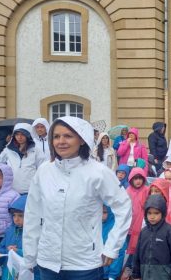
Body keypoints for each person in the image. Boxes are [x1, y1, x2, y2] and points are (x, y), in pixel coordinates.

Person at [23, 116, 132, 279]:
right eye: (56, 136)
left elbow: (123, 206)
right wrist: (30, 255)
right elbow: (33, 214)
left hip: (84, 264)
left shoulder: (98, 172)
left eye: (68, 136)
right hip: (47, 263)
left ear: (82, 139)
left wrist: (112, 247)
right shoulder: (44, 171)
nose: (61, 141)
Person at [130, 194, 171, 280]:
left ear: (162, 213)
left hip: (164, 276)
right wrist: (136, 274)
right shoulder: (143, 232)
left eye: (156, 213)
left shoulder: (170, 232)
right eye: (149, 213)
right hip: (145, 275)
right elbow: (137, 255)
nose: (152, 216)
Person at [0, 195, 31, 280]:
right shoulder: (10, 230)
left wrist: (18, 251)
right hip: (7, 275)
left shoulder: (35, 233)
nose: (16, 219)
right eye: (14, 215)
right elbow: (2, 248)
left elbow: (37, 255)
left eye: (21, 216)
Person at [0, 123, 45, 194]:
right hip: (11, 191)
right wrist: (4, 174)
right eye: (17, 134)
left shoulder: (36, 150)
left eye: (22, 134)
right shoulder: (8, 150)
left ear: (28, 135)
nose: (19, 137)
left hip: (30, 191)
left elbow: (42, 169)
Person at [126, 168, 149, 256]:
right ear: (131, 179)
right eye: (136, 178)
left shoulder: (146, 190)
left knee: (140, 245)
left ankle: (137, 264)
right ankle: (129, 265)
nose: (138, 181)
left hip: (142, 223)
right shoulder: (128, 191)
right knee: (130, 245)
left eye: (140, 178)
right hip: (130, 223)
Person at [102, 205, 127, 280]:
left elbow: (119, 253)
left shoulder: (115, 229)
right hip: (97, 272)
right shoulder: (97, 226)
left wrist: (112, 275)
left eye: (104, 212)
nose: (101, 215)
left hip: (109, 274)